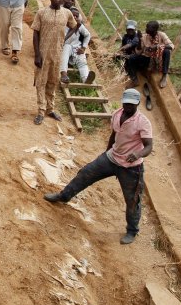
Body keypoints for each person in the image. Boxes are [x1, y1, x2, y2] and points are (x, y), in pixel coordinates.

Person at [45, 89, 153, 245]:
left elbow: (149, 146)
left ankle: (132, 231)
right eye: (126, 103)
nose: (128, 106)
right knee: (85, 173)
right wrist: (107, 151)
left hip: (131, 167)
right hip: (111, 158)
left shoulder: (143, 122)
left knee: (132, 199)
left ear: (136, 104)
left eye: (131, 104)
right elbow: (114, 134)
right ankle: (64, 196)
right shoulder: (117, 114)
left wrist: (137, 155)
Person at [33, 0, 78, 125]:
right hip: (43, 53)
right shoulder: (42, 13)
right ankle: (41, 111)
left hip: (57, 54)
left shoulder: (67, 13)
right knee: (41, 82)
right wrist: (37, 55)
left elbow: (74, 26)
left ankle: (50, 109)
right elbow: (35, 34)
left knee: (53, 82)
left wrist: (65, 39)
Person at [125, 20, 174, 89]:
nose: (146, 29)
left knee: (166, 51)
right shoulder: (144, 36)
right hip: (148, 59)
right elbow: (138, 52)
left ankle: (164, 76)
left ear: (154, 30)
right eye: (146, 27)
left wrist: (157, 46)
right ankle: (135, 80)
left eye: (148, 28)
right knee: (132, 57)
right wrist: (139, 40)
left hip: (159, 59)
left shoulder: (161, 35)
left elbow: (171, 46)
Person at [60, 8, 95, 84]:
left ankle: (86, 79)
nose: (75, 18)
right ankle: (64, 74)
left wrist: (83, 47)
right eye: (73, 16)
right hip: (64, 47)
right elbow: (64, 40)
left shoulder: (79, 25)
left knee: (82, 61)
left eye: (76, 16)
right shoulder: (63, 25)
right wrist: (75, 28)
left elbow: (87, 35)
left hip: (76, 47)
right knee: (66, 50)